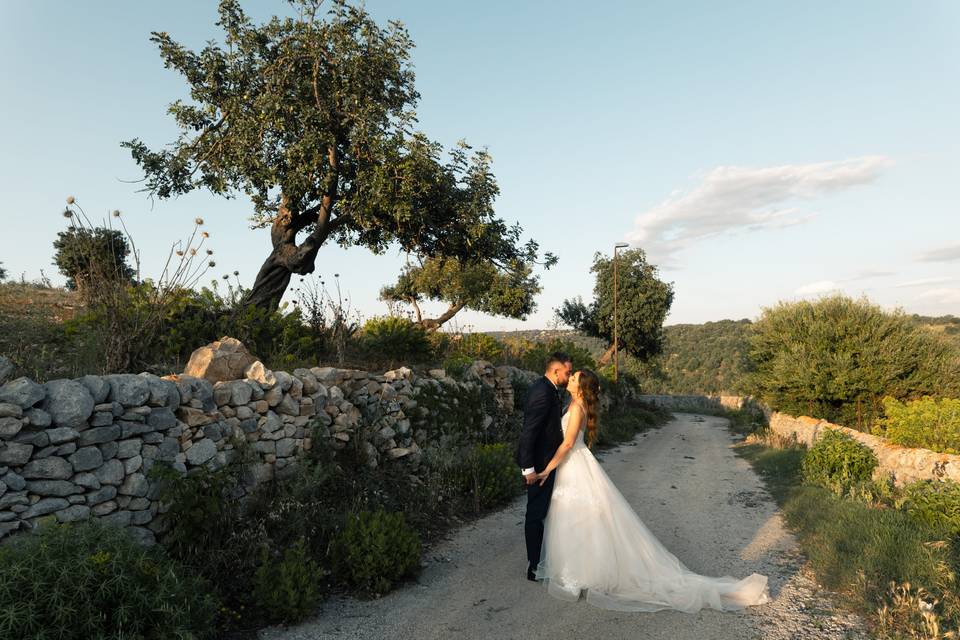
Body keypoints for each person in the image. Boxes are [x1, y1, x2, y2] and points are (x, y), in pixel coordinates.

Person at [532, 369, 771, 612]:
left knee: (578, 519)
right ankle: (580, 571)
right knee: (580, 519)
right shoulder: (576, 404)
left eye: (574, 378)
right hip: (577, 465)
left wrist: (547, 469)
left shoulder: (576, 408)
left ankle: (580, 576)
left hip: (574, 466)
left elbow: (569, 443)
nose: (570, 378)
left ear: (582, 387)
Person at [516, 351, 573, 582]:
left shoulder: (549, 389)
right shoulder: (543, 392)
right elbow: (529, 432)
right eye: (567, 372)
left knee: (545, 511)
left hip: (550, 460)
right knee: (536, 513)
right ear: (555, 370)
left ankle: (543, 559)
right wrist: (528, 467)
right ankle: (534, 566)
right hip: (540, 464)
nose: (569, 376)